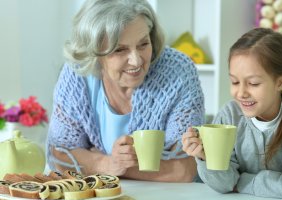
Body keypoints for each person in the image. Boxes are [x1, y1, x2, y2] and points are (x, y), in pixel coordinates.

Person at [46, 0, 205, 182]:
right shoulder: (77, 73)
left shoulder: (178, 72)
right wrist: (108, 164)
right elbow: (58, 156)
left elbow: (185, 169)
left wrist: (100, 163)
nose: (136, 61)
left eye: (143, 44)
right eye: (120, 49)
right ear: (94, 53)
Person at [182, 28, 282, 199]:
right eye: (235, 81)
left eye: (253, 83)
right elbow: (225, 185)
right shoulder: (229, 115)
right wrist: (205, 157)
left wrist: (242, 181)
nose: (241, 93)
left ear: (281, 81)